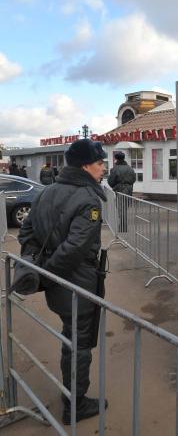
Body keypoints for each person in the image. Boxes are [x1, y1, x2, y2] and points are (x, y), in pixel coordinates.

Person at [18, 139, 108, 425]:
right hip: (77, 285)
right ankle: (75, 404)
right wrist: (46, 275)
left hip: (60, 286)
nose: (103, 167)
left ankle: (72, 395)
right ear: (84, 166)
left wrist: (40, 268)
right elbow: (74, 249)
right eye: (99, 163)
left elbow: (27, 234)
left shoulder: (47, 192)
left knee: (72, 339)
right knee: (79, 345)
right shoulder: (88, 199)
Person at [108, 152, 136, 232]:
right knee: (124, 208)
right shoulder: (130, 168)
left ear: (116, 159)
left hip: (120, 190)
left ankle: (123, 227)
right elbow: (134, 179)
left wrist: (115, 187)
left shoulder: (115, 168)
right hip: (129, 190)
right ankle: (123, 225)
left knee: (121, 209)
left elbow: (110, 181)